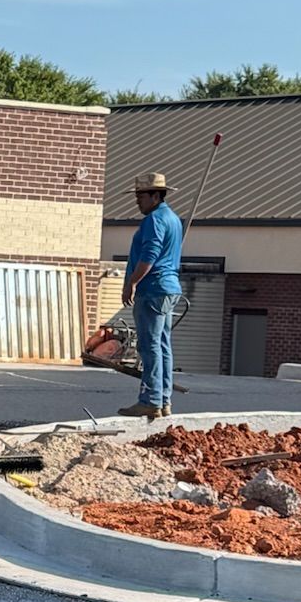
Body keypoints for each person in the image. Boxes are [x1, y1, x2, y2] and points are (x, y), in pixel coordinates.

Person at [122, 170, 183, 419]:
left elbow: (150, 254)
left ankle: (150, 400)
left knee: (150, 346)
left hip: (153, 289)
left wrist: (132, 283)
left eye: (141, 196)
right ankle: (163, 399)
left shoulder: (155, 220)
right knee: (162, 345)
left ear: (155, 196)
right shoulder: (173, 219)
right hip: (168, 288)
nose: (137, 200)